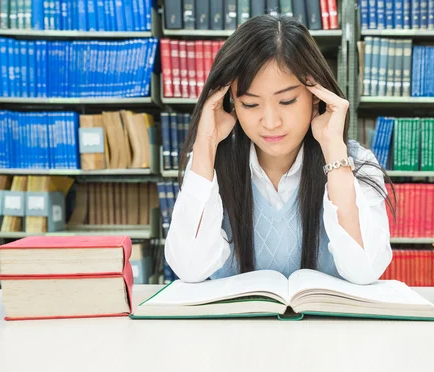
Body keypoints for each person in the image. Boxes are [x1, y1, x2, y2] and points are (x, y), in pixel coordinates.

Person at [165, 14, 395, 285]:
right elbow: (190, 270)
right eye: (250, 105)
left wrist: (334, 150)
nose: (271, 123)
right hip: (233, 328)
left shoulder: (355, 162)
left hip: (327, 328)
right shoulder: (209, 163)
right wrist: (205, 145)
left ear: (316, 96)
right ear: (230, 104)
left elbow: (366, 271)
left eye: (286, 101)